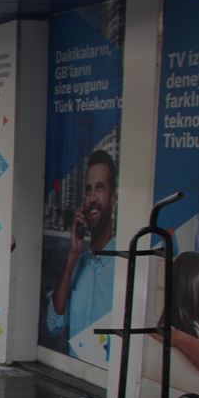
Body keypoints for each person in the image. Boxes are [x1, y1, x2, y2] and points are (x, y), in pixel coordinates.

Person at [45, 150, 118, 349]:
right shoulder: (78, 262)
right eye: (88, 190)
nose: (92, 197)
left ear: (113, 198)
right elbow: (53, 326)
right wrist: (73, 255)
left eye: (100, 188)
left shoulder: (125, 264)